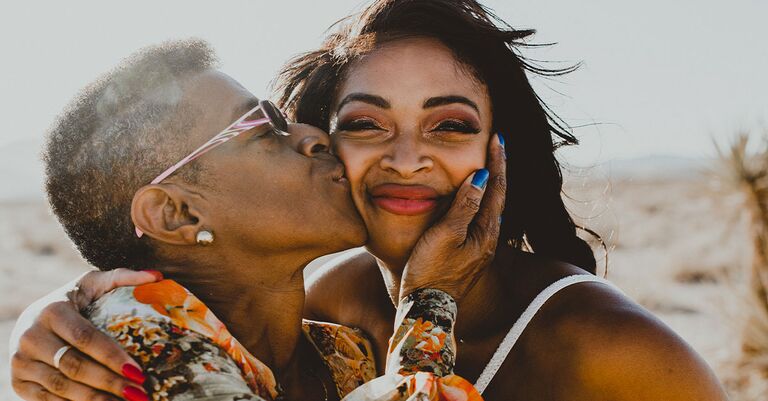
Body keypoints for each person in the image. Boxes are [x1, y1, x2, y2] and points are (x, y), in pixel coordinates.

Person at [11, 0, 731, 400]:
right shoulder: (126, 350)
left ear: (497, 152)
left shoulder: (335, 346)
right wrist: (75, 305)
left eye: (450, 125)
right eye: (361, 123)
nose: (405, 157)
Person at [9, 39, 505, 401]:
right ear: (176, 213)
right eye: (265, 128)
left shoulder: (340, 350)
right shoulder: (136, 345)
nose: (314, 135)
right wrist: (430, 304)